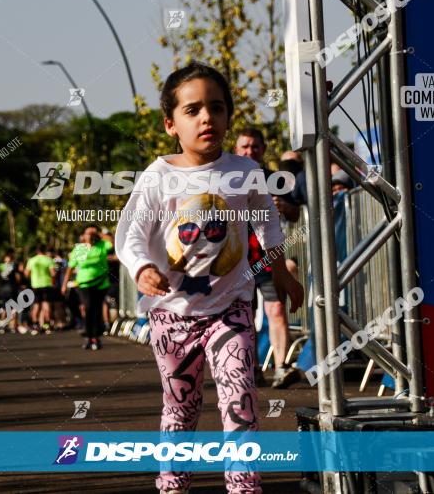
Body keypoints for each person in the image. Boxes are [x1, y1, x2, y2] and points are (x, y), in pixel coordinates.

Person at [115, 62, 303, 494]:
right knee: (181, 409)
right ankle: (172, 485)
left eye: (216, 108)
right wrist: (143, 267)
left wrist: (282, 271)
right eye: (193, 109)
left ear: (227, 117)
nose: (206, 118)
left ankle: (243, 487)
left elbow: (267, 227)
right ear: (170, 124)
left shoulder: (245, 172)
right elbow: (130, 235)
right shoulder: (157, 177)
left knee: (241, 400)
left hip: (231, 307)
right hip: (171, 316)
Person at [234, 128, 301, 389]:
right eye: (244, 147)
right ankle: (251, 369)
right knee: (244, 316)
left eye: (254, 147)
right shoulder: (226, 181)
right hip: (238, 261)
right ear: (236, 150)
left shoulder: (275, 179)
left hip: (270, 257)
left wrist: (286, 208)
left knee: (277, 310)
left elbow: (296, 213)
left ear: (262, 150)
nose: (249, 151)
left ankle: (282, 367)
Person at [61, 226, 115, 350]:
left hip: (101, 283)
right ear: (83, 235)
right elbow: (70, 268)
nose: (90, 235)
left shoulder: (102, 245)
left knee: (96, 309)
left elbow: (113, 242)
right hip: (84, 284)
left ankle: (95, 337)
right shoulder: (80, 249)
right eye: (87, 233)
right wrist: (64, 284)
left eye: (92, 233)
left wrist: (101, 234)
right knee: (88, 307)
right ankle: (88, 335)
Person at [26, 245, 56, 334]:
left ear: (37, 251)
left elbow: (26, 273)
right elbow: (53, 273)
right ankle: (47, 326)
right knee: (46, 304)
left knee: (36, 305)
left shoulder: (31, 260)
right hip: (46, 284)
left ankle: (35, 326)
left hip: (35, 285)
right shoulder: (49, 260)